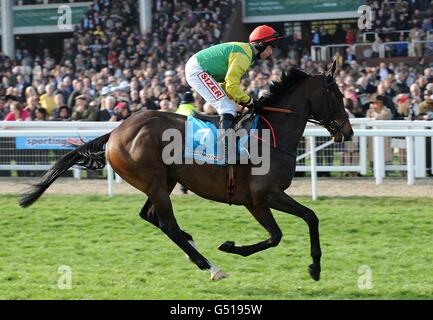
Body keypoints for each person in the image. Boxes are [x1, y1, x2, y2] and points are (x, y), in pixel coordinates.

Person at [185, 25, 283, 131]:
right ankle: (226, 146)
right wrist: (251, 102)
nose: (271, 52)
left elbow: (226, 86)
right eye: (270, 47)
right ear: (261, 44)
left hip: (197, 67)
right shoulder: (244, 55)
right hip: (197, 69)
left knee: (231, 107)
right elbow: (232, 86)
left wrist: (243, 102)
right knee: (227, 108)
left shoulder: (247, 53)